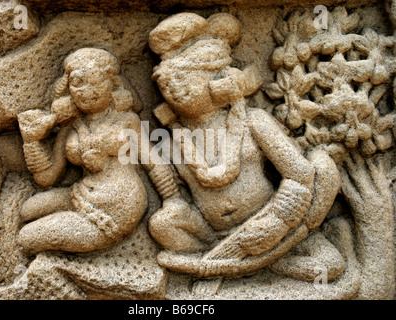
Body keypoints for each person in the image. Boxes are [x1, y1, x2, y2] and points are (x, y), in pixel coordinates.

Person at [147, 12, 343, 279]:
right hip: (212, 235)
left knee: (330, 266)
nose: (174, 92)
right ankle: (228, 261)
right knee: (161, 226)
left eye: (184, 81)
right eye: (166, 87)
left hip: (273, 219)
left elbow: (299, 174)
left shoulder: (253, 122)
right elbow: (176, 193)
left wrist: (275, 223)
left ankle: (250, 263)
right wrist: (174, 204)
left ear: (220, 81)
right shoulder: (171, 141)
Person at [17, 48, 182, 255]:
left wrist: (173, 200)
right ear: (68, 89)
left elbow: (153, 163)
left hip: (120, 205)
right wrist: (31, 141)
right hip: (83, 192)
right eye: (78, 83)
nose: (87, 91)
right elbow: (47, 177)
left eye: (97, 82)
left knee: (26, 238)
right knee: (28, 210)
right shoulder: (71, 125)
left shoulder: (126, 121)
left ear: (113, 84)